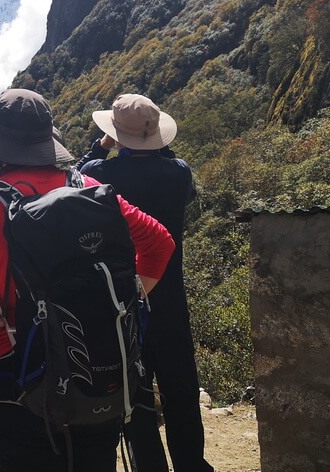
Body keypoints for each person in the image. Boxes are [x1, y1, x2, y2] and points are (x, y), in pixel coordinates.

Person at [0, 88, 175, 472]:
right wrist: (129, 298)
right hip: (98, 365)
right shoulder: (91, 191)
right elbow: (160, 243)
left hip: (15, 371)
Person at [77, 94, 214, 472]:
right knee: (182, 391)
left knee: (136, 398)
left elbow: (75, 179)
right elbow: (172, 165)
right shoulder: (179, 173)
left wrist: (102, 145)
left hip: (125, 301)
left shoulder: (101, 177)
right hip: (170, 298)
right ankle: (192, 465)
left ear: (116, 134)